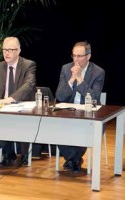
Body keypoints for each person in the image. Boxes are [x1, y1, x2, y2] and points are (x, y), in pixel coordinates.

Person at [0, 36, 36, 166]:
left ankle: (24, 154)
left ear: (18, 51)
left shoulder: (29, 65)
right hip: (3, 107)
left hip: (22, 106)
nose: (6, 53)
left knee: (23, 120)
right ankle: (8, 152)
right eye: (4, 50)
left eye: (10, 50)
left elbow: (28, 85)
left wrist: (10, 99)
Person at [55, 41, 105, 173]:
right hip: (68, 110)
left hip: (88, 111)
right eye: (74, 56)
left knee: (83, 127)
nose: (76, 60)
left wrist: (80, 80)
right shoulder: (66, 69)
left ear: (88, 56)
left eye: (80, 56)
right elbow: (60, 96)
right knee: (56, 125)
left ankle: (72, 159)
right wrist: (71, 79)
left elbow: (94, 98)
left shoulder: (98, 72)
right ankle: (74, 159)